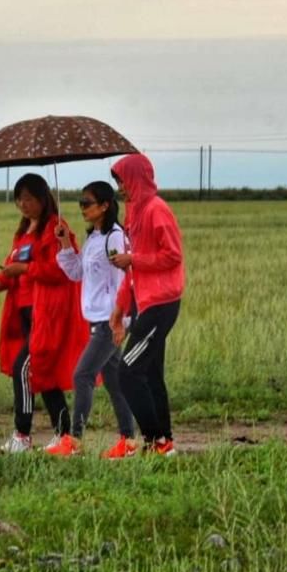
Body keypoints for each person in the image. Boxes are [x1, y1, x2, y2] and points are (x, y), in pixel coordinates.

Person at [0, 173, 88, 454]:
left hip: (47, 313)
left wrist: (26, 270)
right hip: (23, 312)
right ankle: (66, 437)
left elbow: (63, 269)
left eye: (28, 198)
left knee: (24, 369)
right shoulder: (24, 230)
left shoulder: (57, 229)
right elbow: (10, 266)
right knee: (44, 371)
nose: (22, 204)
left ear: (43, 198)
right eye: (19, 199)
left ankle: (22, 435)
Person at [45, 181, 138, 459]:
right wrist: (63, 242)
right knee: (113, 380)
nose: (82, 207)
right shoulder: (94, 238)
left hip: (110, 320)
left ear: (105, 205)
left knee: (83, 374)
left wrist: (119, 317)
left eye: (87, 202)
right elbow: (75, 273)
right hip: (97, 318)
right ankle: (128, 442)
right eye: (80, 203)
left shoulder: (114, 238)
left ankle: (74, 440)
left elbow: (124, 278)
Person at [108, 153, 185, 456]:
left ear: (136, 178)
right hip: (144, 301)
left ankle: (157, 442)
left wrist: (133, 259)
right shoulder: (134, 213)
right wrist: (119, 309)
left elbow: (173, 255)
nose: (120, 187)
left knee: (127, 372)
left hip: (162, 302)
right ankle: (163, 442)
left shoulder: (156, 210)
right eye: (117, 181)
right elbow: (132, 272)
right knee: (150, 374)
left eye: (122, 180)